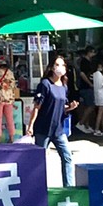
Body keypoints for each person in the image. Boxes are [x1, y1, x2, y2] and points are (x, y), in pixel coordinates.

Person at [25, 53, 79, 187]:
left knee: (67, 156)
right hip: (43, 128)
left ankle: (69, 187)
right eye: (57, 64)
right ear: (51, 67)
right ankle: (37, 187)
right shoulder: (45, 84)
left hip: (59, 129)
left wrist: (70, 107)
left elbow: (62, 107)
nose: (60, 67)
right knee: (40, 160)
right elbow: (37, 106)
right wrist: (31, 125)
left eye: (62, 65)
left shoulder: (64, 86)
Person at [0, 56, 19, 143]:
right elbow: (13, 86)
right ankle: (12, 137)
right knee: (10, 119)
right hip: (9, 98)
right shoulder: (10, 73)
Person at [74, 46, 98, 134]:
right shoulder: (84, 62)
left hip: (86, 86)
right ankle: (81, 123)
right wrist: (89, 83)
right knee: (91, 105)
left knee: (87, 105)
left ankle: (86, 125)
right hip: (86, 87)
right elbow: (82, 74)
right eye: (93, 52)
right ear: (89, 52)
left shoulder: (86, 61)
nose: (94, 54)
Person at [91, 62, 103, 136]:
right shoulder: (98, 74)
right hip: (101, 95)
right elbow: (101, 84)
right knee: (100, 113)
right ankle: (96, 129)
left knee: (102, 113)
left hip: (98, 94)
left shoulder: (95, 74)